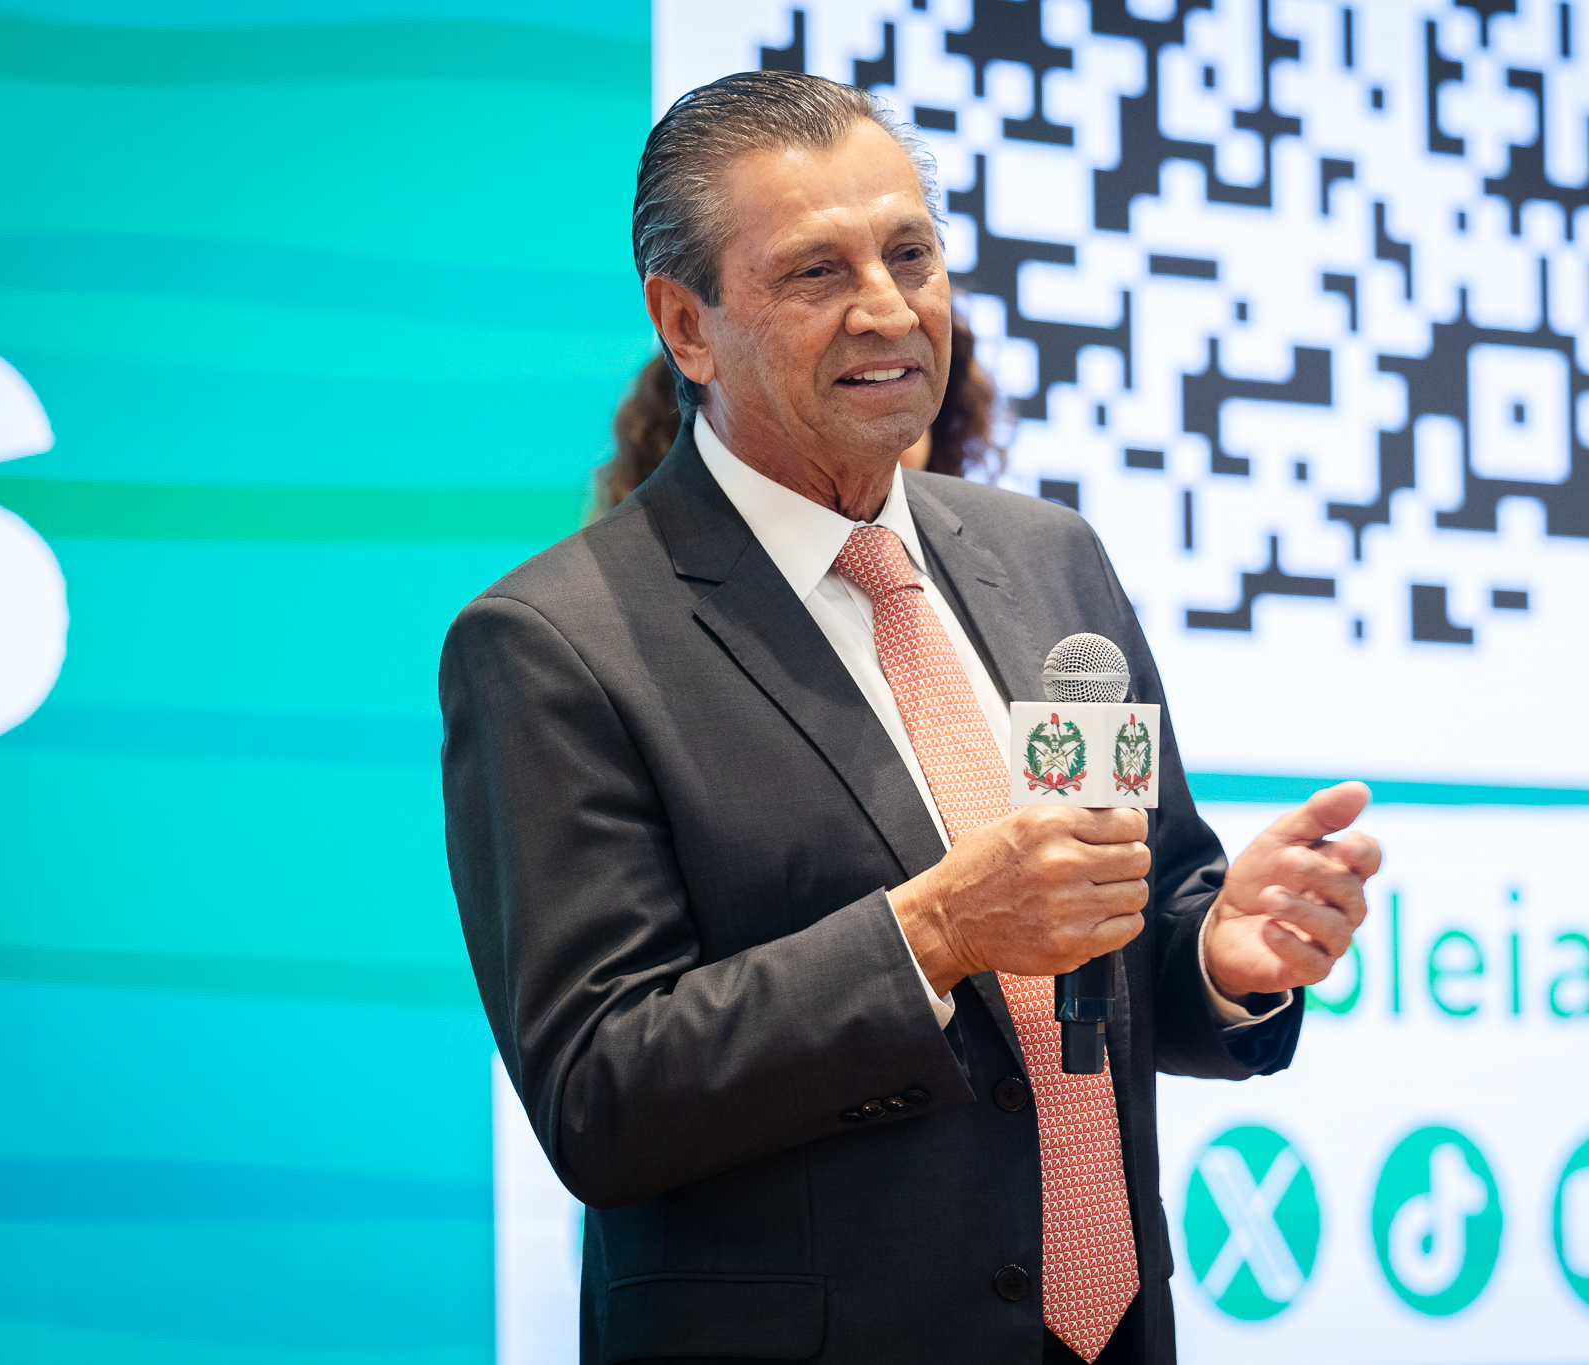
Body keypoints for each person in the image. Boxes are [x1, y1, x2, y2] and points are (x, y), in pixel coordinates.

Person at [440, 70, 1380, 1365]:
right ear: (688, 326)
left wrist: (1220, 952)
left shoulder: (1050, 560)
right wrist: (932, 934)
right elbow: (601, 1093)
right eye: (817, 272)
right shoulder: (558, 643)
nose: (888, 307)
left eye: (911, 254)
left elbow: (1124, 929)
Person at [590, 308, 1005, 518]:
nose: (891, 317)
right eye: (816, 272)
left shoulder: (1018, 554)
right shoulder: (603, 610)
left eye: (898, 381)